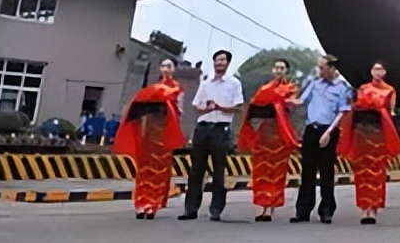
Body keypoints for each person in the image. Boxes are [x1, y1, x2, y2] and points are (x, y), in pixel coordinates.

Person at [114, 57, 187, 220]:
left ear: (174, 69)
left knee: (159, 171)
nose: (166, 69)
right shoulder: (151, 89)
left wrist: (167, 104)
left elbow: (179, 112)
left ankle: (153, 204)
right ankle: (141, 203)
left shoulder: (177, 89)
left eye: (169, 66)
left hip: (163, 136)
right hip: (147, 134)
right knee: (143, 170)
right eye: (163, 66)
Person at [179, 49, 244, 222]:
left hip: (220, 128)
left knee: (218, 170)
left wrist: (220, 107)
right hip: (203, 127)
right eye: (216, 60)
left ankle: (216, 209)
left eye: (222, 60)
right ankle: (190, 209)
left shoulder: (234, 83)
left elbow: (238, 107)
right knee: (196, 170)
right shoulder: (206, 83)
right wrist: (206, 108)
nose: (219, 63)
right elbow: (196, 105)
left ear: (228, 63)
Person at [337, 61, 400, 224]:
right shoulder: (363, 89)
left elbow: (391, 113)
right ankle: (363, 207)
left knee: (377, 171)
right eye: (375, 69)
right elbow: (353, 107)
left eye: (380, 69)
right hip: (361, 134)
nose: (378, 72)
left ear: (385, 72)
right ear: (371, 72)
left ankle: (373, 208)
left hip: (378, 135)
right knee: (361, 171)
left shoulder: (390, 90)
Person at [290, 54, 352, 224]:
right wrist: (285, 101)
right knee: (307, 171)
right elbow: (301, 101)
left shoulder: (343, 87)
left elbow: (342, 112)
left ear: (332, 68)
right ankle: (302, 210)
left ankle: (326, 210)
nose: (320, 71)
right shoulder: (315, 83)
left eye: (323, 67)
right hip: (311, 129)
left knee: (326, 171)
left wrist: (329, 132)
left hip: (328, 130)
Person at [237, 58, 299, 222]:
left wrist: (281, 103)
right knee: (261, 171)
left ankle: (270, 208)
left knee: (277, 172)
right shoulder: (264, 89)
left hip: (280, 134)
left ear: (286, 71)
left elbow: (292, 107)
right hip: (263, 135)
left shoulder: (290, 88)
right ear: (272, 70)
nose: (279, 71)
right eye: (276, 68)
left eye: (282, 68)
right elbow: (255, 105)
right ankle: (260, 206)